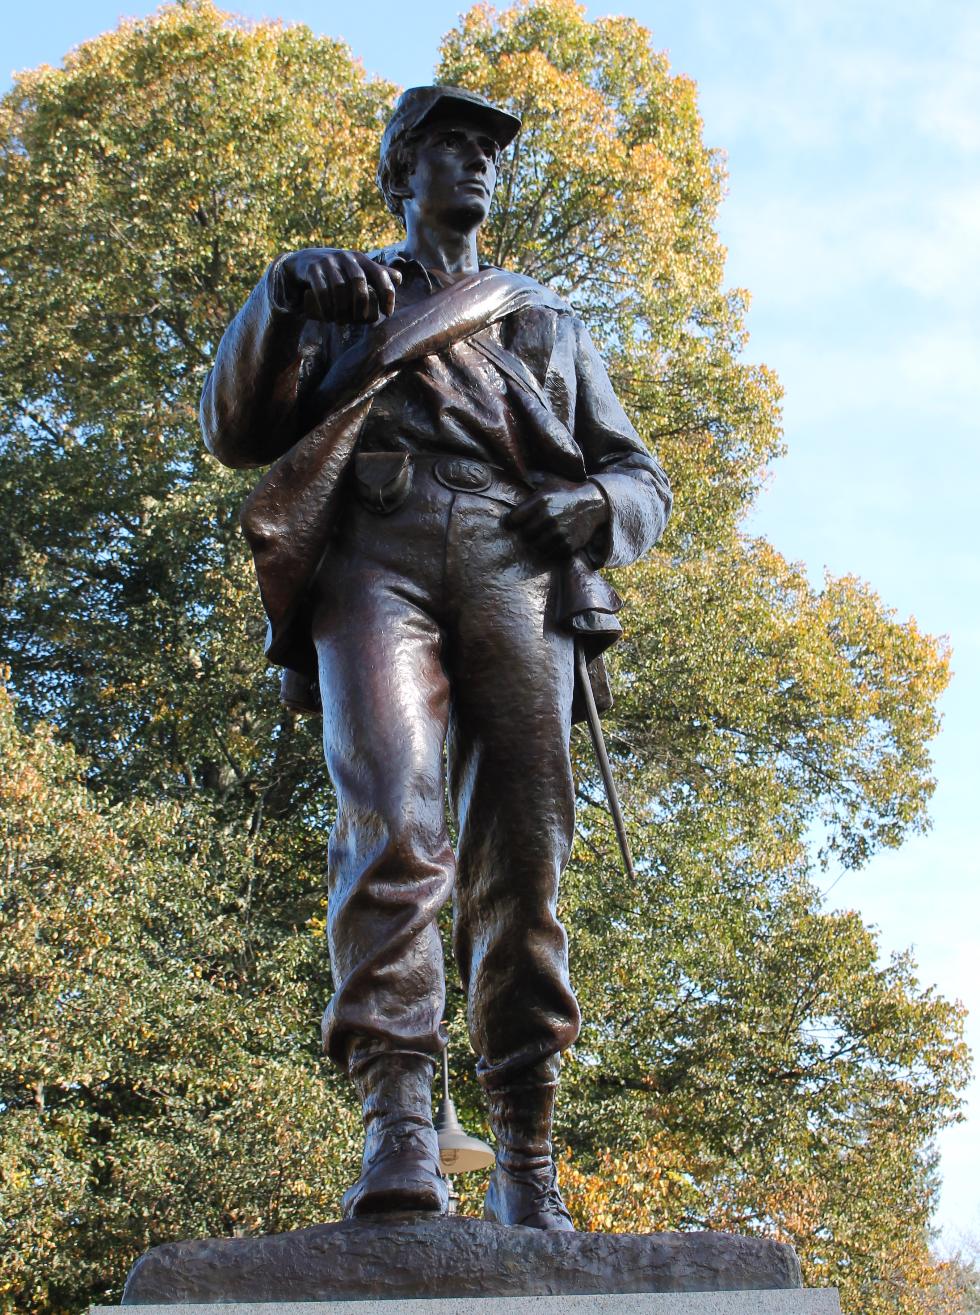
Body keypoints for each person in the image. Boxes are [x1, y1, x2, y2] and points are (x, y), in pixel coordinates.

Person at [200, 85, 672, 1230]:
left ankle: (525, 1147)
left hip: (517, 567)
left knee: (525, 852)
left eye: (484, 151)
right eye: (448, 146)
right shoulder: (337, 290)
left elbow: (640, 474)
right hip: (379, 555)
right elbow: (230, 429)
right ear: (399, 172)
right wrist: (276, 300)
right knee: (394, 824)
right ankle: (399, 1122)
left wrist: (597, 505)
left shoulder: (544, 319)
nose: (473, 164)